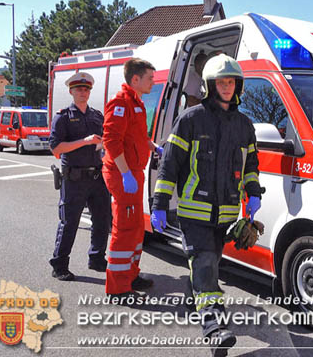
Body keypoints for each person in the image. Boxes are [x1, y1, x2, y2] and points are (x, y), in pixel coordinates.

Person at [150, 54, 262, 355]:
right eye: (221, 82)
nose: (227, 87)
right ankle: (215, 328)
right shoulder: (191, 119)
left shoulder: (244, 125)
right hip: (193, 214)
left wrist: (254, 194)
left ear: (237, 86)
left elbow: (250, 163)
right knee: (205, 266)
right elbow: (170, 164)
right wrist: (159, 202)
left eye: (231, 82)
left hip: (225, 215)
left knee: (207, 268)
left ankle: (195, 294)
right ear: (210, 85)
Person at [102, 58, 163, 298]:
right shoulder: (120, 103)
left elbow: (136, 137)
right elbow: (111, 141)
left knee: (137, 229)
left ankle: (131, 275)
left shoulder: (136, 103)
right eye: (150, 78)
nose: (153, 82)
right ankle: (117, 289)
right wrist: (126, 173)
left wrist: (153, 147)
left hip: (133, 173)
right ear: (135, 79)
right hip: (122, 174)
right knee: (125, 229)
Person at [48, 72, 111, 281]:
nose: (83, 92)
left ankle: (97, 259)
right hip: (74, 178)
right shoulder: (63, 116)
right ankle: (59, 265)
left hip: (97, 176)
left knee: (103, 220)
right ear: (71, 91)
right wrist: (84, 141)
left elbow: (105, 142)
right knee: (69, 222)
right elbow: (56, 148)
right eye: (79, 89)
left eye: (86, 89)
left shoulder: (97, 116)